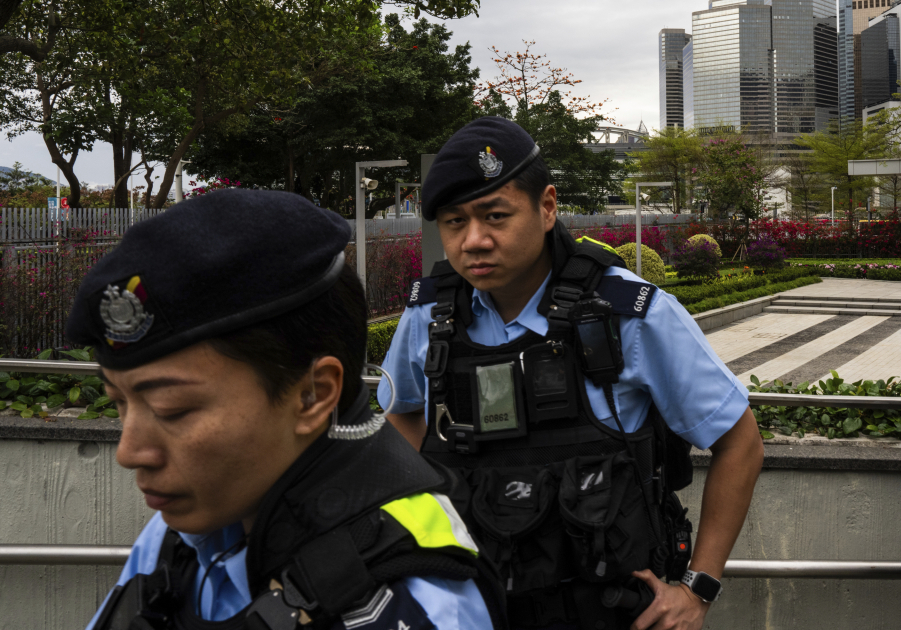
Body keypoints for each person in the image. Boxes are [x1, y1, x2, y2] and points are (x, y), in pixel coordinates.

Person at [378, 116, 764, 630]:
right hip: (468, 607)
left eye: (495, 216)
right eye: (453, 222)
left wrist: (698, 589)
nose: (474, 240)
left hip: (606, 609)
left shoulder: (627, 314)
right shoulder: (428, 315)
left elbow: (740, 442)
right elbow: (403, 419)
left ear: (547, 207)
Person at [70, 190, 503, 630]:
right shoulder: (176, 538)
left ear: (314, 395)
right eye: (118, 403)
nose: (129, 451)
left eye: (172, 408)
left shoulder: (417, 603)